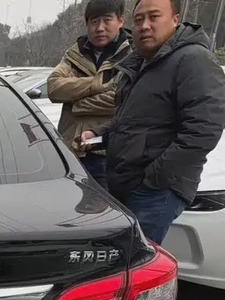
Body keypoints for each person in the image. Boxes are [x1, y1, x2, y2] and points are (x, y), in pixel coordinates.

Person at [81, 0, 225, 244]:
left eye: (154, 17)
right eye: (139, 20)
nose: (145, 26)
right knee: (124, 255)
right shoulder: (143, 62)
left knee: (135, 257)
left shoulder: (194, 61)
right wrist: (98, 135)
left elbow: (202, 131)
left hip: (157, 189)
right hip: (130, 182)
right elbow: (130, 121)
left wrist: (154, 178)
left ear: (176, 20)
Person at [48, 0, 132, 189]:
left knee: (103, 206)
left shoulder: (132, 56)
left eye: (107, 20)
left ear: (120, 21)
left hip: (107, 155)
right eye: (94, 21)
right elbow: (53, 88)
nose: (100, 28)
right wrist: (99, 84)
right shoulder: (75, 54)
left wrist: (75, 101)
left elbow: (122, 99)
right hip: (71, 153)